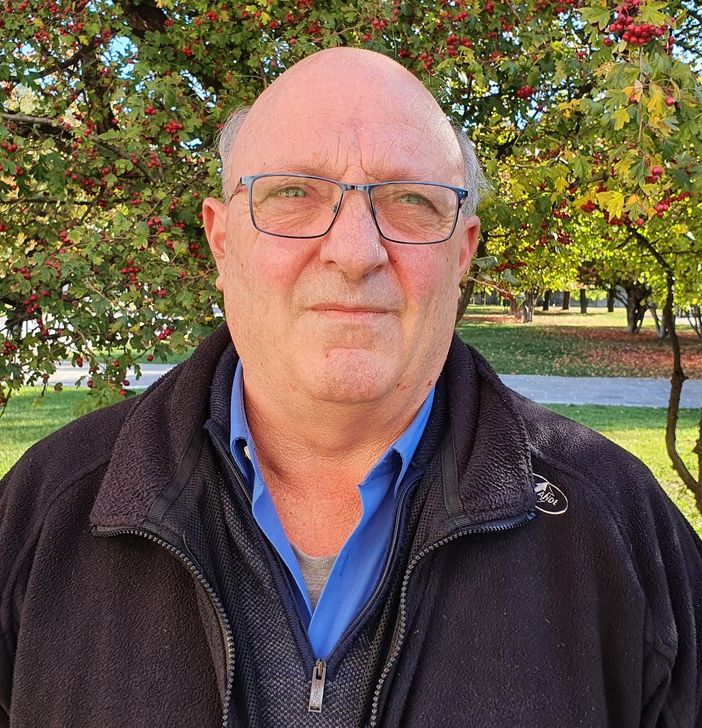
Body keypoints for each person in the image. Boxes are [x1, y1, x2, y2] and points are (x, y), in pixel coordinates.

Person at [0, 47, 700, 728]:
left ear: (463, 252)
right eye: (294, 193)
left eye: (411, 201)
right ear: (221, 240)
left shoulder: (621, 528)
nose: (356, 251)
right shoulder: (43, 512)